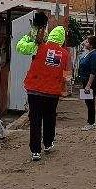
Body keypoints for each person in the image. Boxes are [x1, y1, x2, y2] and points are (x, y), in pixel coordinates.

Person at [20, 25, 70, 161]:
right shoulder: (64, 54)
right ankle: (48, 143)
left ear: (51, 35)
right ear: (62, 39)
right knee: (50, 117)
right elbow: (66, 74)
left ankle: (35, 151)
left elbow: (21, 47)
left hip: (34, 91)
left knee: (35, 119)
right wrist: (64, 89)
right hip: (52, 92)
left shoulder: (40, 47)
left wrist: (30, 35)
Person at [77, 35, 96, 130]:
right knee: (87, 101)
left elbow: (93, 72)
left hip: (90, 82)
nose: (85, 43)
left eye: (87, 42)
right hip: (85, 81)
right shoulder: (88, 53)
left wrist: (88, 85)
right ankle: (90, 122)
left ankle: (91, 122)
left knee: (90, 102)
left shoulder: (94, 55)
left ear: (91, 45)